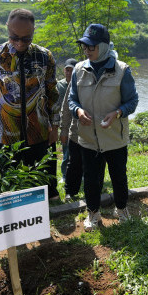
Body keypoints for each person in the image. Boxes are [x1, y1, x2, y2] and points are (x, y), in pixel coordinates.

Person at [0, 8, 60, 198]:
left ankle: (49, 204)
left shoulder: (44, 56)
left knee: (44, 179)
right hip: (5, 131)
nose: (19, 43)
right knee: (11, 182)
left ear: (34, 31)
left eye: (26, 39)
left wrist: (55, 125)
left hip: (39, 129)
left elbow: (52, 92)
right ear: (7, 27)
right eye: (14, 37)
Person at [69, 24, 139, 230]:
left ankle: (121, 208)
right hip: (88, 138)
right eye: (85, 47)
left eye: (92, 47)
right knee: (91, 179)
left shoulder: (122, 70)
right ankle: (93, 214)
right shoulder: (78, 70)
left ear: (105, 46)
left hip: (114, 137)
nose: (87, 51)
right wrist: (78, 112)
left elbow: (132, 101)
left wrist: (117, 113)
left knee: (119, 176)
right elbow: (72, 99)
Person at [59, 59, 83, 201]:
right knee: (69, 156)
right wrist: (62, 129)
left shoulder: (80, 80)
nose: (69, 72)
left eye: (71, 69)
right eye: (67, 69)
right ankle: (66, 180)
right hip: (70, 126)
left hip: (86, 130)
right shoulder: (61, 85)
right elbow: (64, 108)